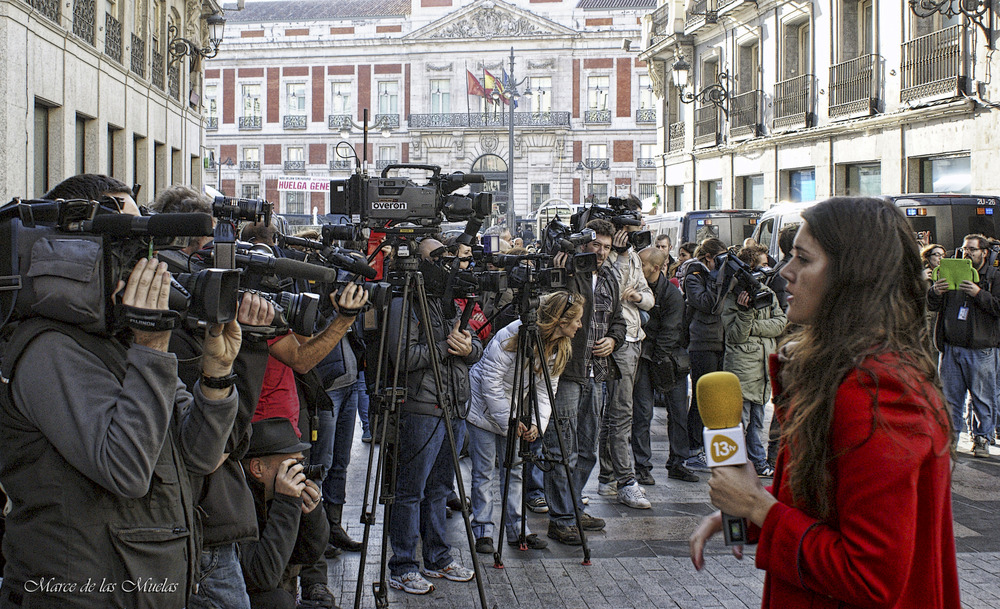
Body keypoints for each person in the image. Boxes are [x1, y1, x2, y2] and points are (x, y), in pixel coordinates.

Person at [690, 196, 960, 609]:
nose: (785, 272)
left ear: (852, 276)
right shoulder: (844, 371)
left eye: (803, 258)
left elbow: (872, 577)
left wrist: (761, 508)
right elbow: (832, 510)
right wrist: (754, 515)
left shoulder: (876, 391)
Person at [0, 175, 241, 608]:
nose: (143, 262)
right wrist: (152, 347)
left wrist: (217, 375)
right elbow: (126, 470)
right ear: (80, 248)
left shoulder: (119, 338)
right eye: (128, 246)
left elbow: (199, 456)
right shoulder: (49, 347)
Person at [384, 237, 482, 595]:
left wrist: (469, 348)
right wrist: (445, 347)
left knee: (440, 489)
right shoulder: (403, 303)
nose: (446, 265)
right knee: (410, 491)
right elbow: (404, 358)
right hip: (423, 409)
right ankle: (403, 565)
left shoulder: (446, 302)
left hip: (454, 406)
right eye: (436, 258)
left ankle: (438, 557)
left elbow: (473, 346)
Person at [467, 291, 583, 554]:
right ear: (561, 320)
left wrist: (537, 426)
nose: (580, 325)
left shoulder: (559, 345)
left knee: (516, 471)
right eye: (576, 320)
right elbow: (490, 382)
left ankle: (518, 528)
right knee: (484, 471)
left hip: (512, 409)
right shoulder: (512, 334)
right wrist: (509, 420)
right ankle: (483, 530)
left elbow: (546, 390)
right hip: (484, 409)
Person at [543, 219, 626, 545]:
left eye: (607, 247)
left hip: (598, 372)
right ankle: (561, 518)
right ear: (583, 244)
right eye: (597, 245)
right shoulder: (569, 273)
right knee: (561, 448)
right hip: (568, 371)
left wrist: (614, 341)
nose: (602, 252)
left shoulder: (609, 278)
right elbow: (549, 312)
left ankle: (573, 507)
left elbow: (618, 319)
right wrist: (564, 270)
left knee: (588, 448)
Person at [240, 418, 329, 609]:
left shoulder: (275, 495)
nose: (299, 473)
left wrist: (312, 514)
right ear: (257, 468)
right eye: (291, 466)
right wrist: (287, 503)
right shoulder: (236, 501)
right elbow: (262, 578)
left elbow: (308, 554)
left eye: (301, 464)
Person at [599, 207, 654, 507]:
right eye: (632, 233)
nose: (637, 239)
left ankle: (608, 475)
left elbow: (649, 297)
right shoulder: (612, 256)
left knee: (616, 414)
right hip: (616, 339)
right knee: (621, 413)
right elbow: (612, 292)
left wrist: (637, 298)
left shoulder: (633, 256)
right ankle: (625, 479)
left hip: (634, 337)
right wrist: (618, 256)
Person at [928, 233, 1000, 457]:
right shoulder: (950, 269)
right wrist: (935, 291)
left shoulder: (994, 276)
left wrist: (979, 294)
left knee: (982, 398)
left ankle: (981, 438)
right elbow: (933, 304)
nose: (967, 252)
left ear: (984, 253)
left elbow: (998, 307)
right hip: (950, 347)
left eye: (972, 249)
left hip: (981, 349)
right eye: (965, 248)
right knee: (950, 398)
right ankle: (951, 439)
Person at [720, 244, 786, 478]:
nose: (767, 269)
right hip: (743, 367)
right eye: (762, 264)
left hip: (763, 367)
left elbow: (780, 323)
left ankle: (756, 461)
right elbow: (736, 334)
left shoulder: (767, 293)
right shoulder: (733, 297)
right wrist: (745, 312)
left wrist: (754, 327)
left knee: (757, 422)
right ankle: (739, 463)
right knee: (740, 421)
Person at [633, 247, 697, 483]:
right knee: (642, 413)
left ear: (656, 268)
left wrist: (658, 358)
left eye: (642, 264)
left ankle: (678, 462)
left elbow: (671, 331)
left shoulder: (671, 294)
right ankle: (642, 465)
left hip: (668, 359)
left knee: (678, 413)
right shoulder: (638, 288)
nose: (638, 267)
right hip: (645, 358)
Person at [682, 237, 729, 471]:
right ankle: (693, 450)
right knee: (702, 398)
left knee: (718, 400)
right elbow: (709, 303)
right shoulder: (694, 277)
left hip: (722, 341)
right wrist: (716, 278)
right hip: (702, 343)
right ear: (708, 258)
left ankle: (714, 448)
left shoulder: (719, 276)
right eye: (719, 259)